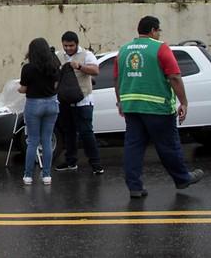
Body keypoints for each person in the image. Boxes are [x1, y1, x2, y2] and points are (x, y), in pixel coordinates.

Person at [114, 16, 205, 198]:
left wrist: (120, 102)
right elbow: (174, 77)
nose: (158, 34)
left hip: (131, 107)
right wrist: (184, 102)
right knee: (168, 146)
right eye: (158, 31)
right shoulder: (160, 48)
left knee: (133, 147)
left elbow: (116, 79)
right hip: (157, 108)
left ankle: (135, 187)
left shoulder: (123, 51)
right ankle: (182, 178)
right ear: (153, 30)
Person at [54, 31, 104, 175]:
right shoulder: (59, 56)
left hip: (83, 100)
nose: (68, 48)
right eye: (65, 46)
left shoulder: (87, 55)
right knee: (68, 132)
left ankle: (96, 164)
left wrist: (80, 66)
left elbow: (95, 70)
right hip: (64, 100)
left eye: (71, 45)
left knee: (86, 132)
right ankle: (70, 162)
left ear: (77, 44)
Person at [18, 38, 60, 185]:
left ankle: (28, 176)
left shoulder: (28, 68)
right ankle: (47, 175)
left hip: (34, 105)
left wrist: (20, 88)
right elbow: (55, 84)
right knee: (47, 140)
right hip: (51, 104)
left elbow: (23, 89)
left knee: (32, 141)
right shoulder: (54, 65)